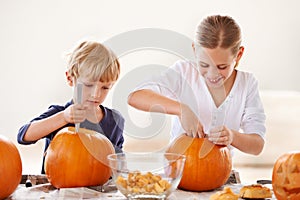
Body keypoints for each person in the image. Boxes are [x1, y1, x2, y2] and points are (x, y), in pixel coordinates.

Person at [128, 15, 266, 156]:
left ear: (238, 55)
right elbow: (135, 97)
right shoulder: (184, 72)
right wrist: (182, 109)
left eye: (222, 66)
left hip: (222, 172)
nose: (212, 74)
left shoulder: (247, 83)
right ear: (194, 50)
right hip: (180, 170)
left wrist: (232, 136)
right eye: (204, 65)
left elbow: (257, 146)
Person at [18, 40, 124, 174]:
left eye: (105, 87)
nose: (96, 94)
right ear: (70, 79)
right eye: (88, 85)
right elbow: (23, 136)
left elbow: (119, 163)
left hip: (99, 191)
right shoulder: (60, 113)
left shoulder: (115, 121)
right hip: (57, 189)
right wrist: (63, 118)